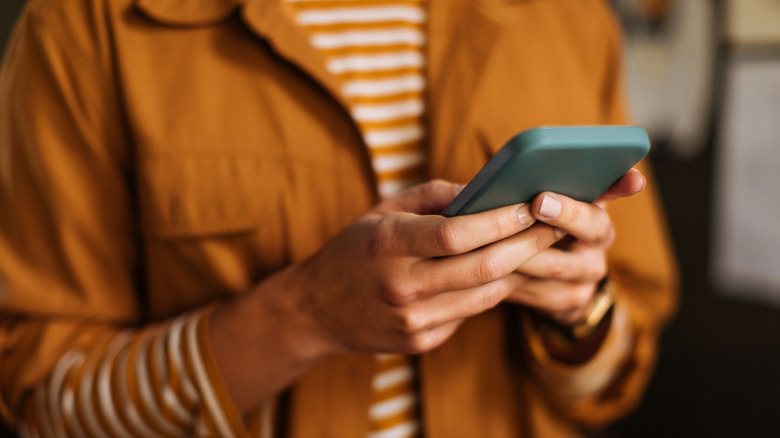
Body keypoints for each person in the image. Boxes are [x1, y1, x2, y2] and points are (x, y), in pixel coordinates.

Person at [0, 0, 678, 437]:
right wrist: (304, 315)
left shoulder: (572, 20)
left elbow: (619, 367)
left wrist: (579, 316)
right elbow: (39, 399)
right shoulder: (86, 27)